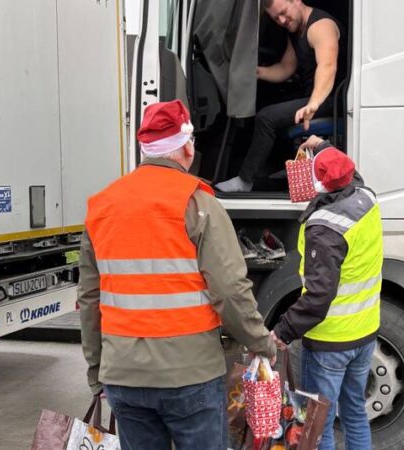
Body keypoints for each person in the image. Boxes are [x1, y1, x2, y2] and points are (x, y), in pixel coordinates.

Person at [78, 100, 276, 450]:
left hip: (124, 375)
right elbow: (229, 290)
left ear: (145, 149)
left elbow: (90, 299)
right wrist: (261, 342)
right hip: (190, 375)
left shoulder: (102, 206)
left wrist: (97, 371)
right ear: (187, 147)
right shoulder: (199, 204)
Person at [271, 135, 382, 450]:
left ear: (318, 183)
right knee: (354, 412)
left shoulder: (324, 227)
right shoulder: (365, 196)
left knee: (317, 425)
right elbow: (344, 169)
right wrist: (321, 146)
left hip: (330, 342)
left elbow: (318, 297)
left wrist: (282, 331)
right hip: (365, 333)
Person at [216, 0, 345, 193]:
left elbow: (328, 66)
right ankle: (282, 170)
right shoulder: (296, 30)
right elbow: (286, 67)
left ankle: (245, 181)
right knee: (266, 105)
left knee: (267, 117)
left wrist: (314, 103)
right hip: (314, 97)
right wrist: (256, 72)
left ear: (297, 1)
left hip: (331, 99)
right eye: (276, 18)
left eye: (284, 12)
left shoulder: (320, 26)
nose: (282, 20)